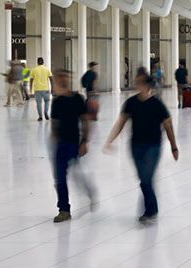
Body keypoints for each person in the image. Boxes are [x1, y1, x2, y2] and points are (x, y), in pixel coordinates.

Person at [104, 69, 177, 223]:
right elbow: (121, 122)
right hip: (136, 146)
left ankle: (150, 211)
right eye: (137, 82)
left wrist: (174, 147)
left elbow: (168, 125)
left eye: (140, 82)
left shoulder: (157, 104)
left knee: (146, 178)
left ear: (147, 85)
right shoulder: (131, 103)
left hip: (153, 146)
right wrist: (110, 140)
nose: (137, 85)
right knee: (143, 179)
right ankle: (151, 209)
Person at [47, 70, 94, 221]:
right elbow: (54, 123)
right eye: (59, 78)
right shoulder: (57, 101)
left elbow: (85, 120)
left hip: (74, 143)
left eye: (64, 77)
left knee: (77, 175)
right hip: (60, 145)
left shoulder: (78, 98)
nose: (62, 80)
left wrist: (85, 141)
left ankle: (89, 192)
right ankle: (64, 209)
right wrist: (54, 143)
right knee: (60, 178)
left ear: (69, 79)